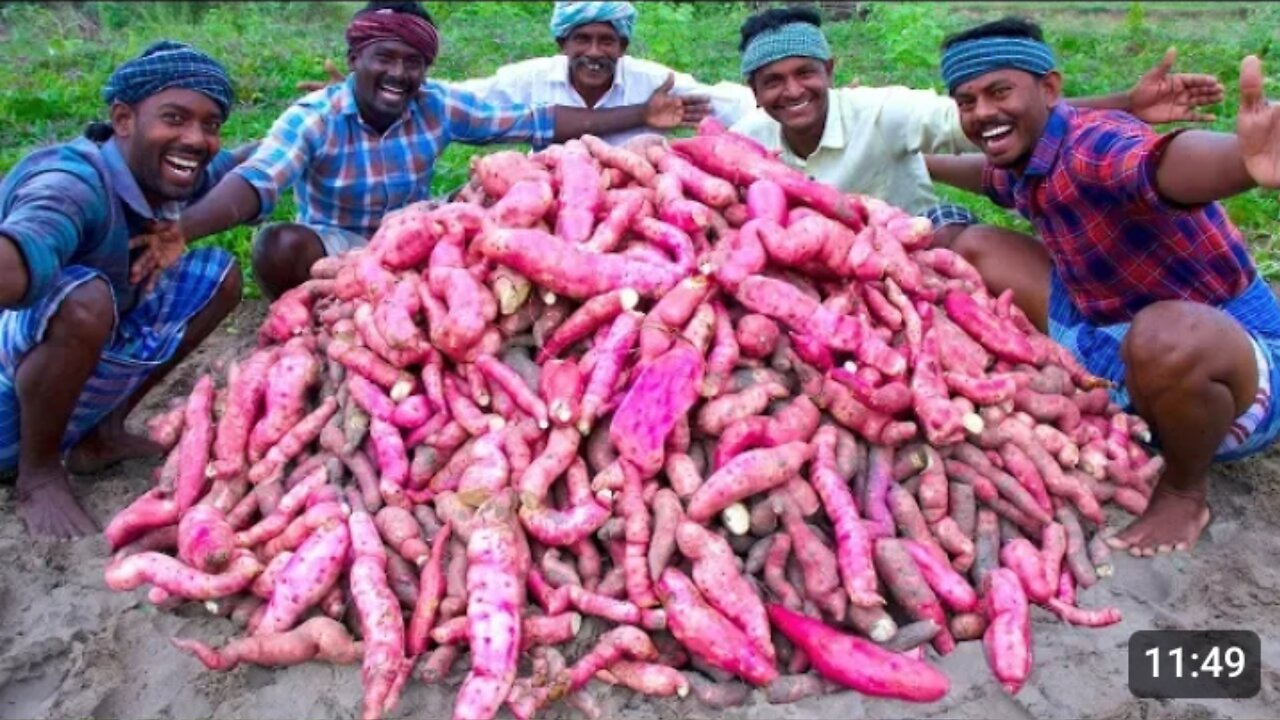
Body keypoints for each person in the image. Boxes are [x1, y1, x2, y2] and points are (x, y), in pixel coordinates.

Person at [924, 17, 1280, 557]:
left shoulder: (1097, 146)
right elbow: (983, 174)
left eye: (999, 92)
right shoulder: (1025, 153)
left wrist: (1241, 163)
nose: (983, 113)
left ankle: (1184, 489)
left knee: (1169, 334)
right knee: (968, 246)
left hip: (1234, 372)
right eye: (967, 101)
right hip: (1109, 336)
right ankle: (1113, 394)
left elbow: (1159, 164)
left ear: (1049, 89)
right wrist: (915, 161)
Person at [131, 1, 712, 300]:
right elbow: (260, 180)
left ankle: (409, 296)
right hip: (335, 242)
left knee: (498, 223)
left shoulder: (435, 104)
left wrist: (641, 114)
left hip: (415, 235)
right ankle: (310, 318)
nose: (398, 74)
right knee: (277, 244)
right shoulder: (317, 115)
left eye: (413, 63)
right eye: (384, 57)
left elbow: (539, 121)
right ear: (355, 58)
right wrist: (186, 229)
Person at [0, 41, 245, 538]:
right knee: (85, 300)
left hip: (69, 386)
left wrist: (324, 111)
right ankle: (38, 473)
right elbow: (30, 240)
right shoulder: (72, 183)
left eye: (210, 124)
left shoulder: (168, 171)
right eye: (174, 118)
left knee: (219, 276)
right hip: (9, 401)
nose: (196, 139)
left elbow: (246, 161)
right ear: (123, 118)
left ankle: (99, 435)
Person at [729, 6, 1225, 243]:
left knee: (967, 250)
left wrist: (1128, 104)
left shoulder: (883, 111)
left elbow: (994, 118)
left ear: (829, 72)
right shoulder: (745, 140)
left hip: (917, 235)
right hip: (813, 254)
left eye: (804, 74)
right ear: (754, 90)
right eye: (773, 81)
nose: (792, 91)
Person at [446, 1, 757, 147]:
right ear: (562, 44)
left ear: (622, 47)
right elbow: (463, 97)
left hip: (636, 201)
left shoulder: (652, 82)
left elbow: (736, 104)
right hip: (550, 198)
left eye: (606, 41)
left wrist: (779, 103)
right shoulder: (532, 78)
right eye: (582, 39)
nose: (594, 52)